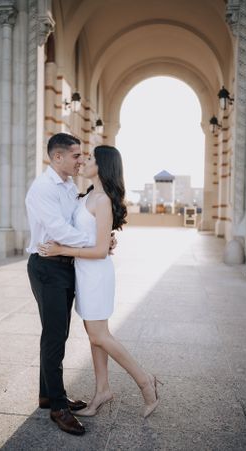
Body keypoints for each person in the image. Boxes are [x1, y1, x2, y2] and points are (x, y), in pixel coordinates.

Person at [38, 145, 161, 419]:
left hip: (95, 274)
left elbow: (100, 250)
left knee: (99, 336)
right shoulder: (89, 195)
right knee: (96, 339)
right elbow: (94, 237)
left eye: (90, 158)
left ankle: (145, 382)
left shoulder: (103, 199)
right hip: (84, 273)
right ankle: (102, 390)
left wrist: (62, 250)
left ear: (103, 165)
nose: (84, 161)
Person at [26, 133, 115, 436]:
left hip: (67, 266)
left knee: (56, 334)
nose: (81, 160)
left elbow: (79, 222)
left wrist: (104, 237)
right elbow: (60, 231)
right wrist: (99, 241)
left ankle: (48, 394)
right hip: (47, 266)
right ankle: (58, 408)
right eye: (76, 155)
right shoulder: (42, 189)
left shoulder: (69, 186)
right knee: (55, 336)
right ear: (58, 157)